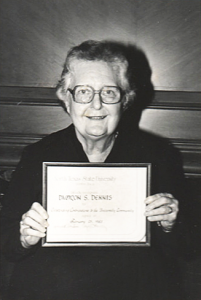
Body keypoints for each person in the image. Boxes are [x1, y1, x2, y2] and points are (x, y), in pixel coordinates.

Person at [1, 40, 186, 300]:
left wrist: (170, 224)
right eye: (84, 92)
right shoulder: (37, 156)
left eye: (109, 92)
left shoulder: (159, 156)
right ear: (67, 99)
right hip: (53, 291)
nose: (96, 105)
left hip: (132, 291)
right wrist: (24, 236)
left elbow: (185, 250)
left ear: (125, 100)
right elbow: (7, 245)